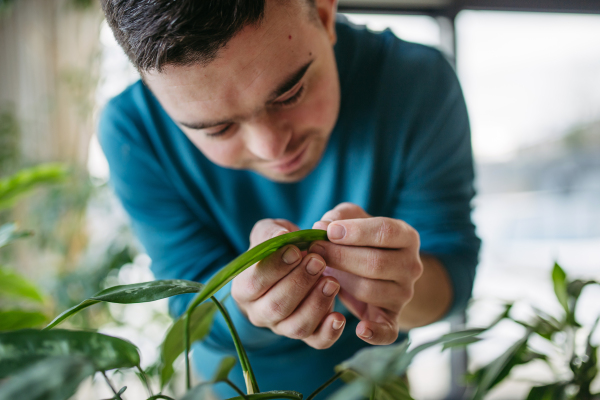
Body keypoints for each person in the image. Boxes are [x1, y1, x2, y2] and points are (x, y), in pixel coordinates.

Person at [98, 0, 481, 398]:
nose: (272, 147)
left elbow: (454, 274)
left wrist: (393, 283)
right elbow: (187, 304)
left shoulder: (416, 82)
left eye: (290, 93)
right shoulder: (132, 132)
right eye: (218, 129)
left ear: (324, 13)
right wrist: (248, 307)